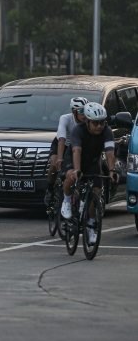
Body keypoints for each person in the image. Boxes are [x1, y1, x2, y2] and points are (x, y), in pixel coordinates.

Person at [60, 102, 118, 244]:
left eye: (102, 123)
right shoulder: (78, 130)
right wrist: (77, 170)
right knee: (70, 176)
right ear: (87, 121)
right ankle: (66, 201)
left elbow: (110, 153)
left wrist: (111, 171)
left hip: (92, 162)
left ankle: (91, 226)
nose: (99, 126)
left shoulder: (107, 131)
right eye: (95, 123)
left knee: (96, 192)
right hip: (74, 158)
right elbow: (76, 151)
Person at [44, 97, 89, 205]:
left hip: (77, 146)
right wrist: (60, 158)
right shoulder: (65, 118)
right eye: (82, 111)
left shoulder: (88, 121)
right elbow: (62, 140)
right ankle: (49, 190)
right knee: (54, 164)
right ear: (74, 111)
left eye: (87, 111)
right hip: (63, 144)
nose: (85, 115)